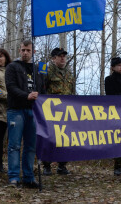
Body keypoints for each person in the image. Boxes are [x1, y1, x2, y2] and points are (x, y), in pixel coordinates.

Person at [5, 40, 46, 188]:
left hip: (33, 111)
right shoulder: (12, 67)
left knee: (31, 146)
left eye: (28, 50)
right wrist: (26, 96)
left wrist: (41, 99)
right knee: (14, 145)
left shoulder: (38, 70)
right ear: (19, 50)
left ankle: (29, 177)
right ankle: (14, 177)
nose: (25, 53)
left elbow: (42, 90)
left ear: (33, 52)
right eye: (22, 50)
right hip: (16, 110)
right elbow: (10, 87)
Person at [43, 47, 75, 176]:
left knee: (65, 138)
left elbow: (72, 91)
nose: (62, 58)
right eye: (59, 56)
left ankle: (62, 165)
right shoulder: (48, 71)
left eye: (64, 56)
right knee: (50, 138)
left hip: (66, 111)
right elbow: (42, 89)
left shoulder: (69, 73)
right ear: (53, 58)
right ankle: (46, 165)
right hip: (51, 111)